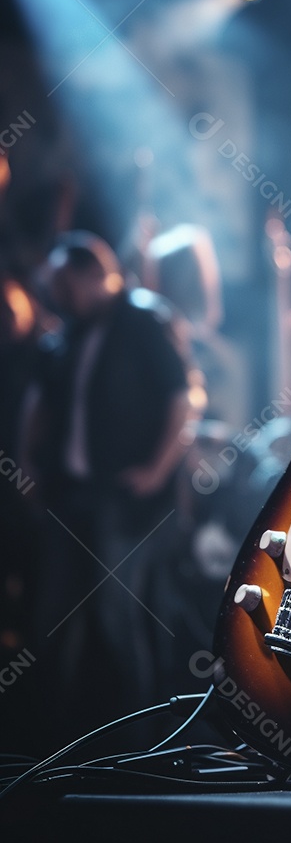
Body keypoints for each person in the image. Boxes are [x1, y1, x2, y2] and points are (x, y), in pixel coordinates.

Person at [18, 231, 194, 749]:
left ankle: (143, 740)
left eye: (66, 285)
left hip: (127, 500)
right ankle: (58, 741)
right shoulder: (70, 335)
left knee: (120, 615)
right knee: (53, 618)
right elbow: (40, 402)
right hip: (70, 496)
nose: (58, 297)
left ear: (95, 273)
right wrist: (27, 461)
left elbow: (181, 399)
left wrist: (158, 470)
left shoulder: (143, 322)